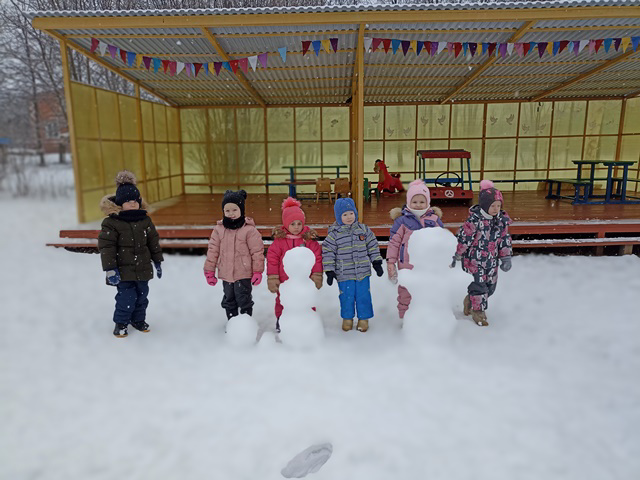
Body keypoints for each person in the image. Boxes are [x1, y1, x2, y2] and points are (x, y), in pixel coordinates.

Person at [98, 171, 163, 338]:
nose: (132, 204)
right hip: (123, 270)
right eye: (128, 201)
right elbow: (107, 247)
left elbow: (153, 241)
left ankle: (138, 320)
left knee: (142, 297)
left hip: (143, 268)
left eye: (135, 200)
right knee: (126, 297)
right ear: (120, 204)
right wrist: (110, 268)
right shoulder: (112, 222)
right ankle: (121, 323)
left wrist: (157, 261)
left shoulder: (145, 220)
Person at [451, 180, 513, 326]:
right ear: (485, 205)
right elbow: (464, 239)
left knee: (490, 287)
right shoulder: (474, 221)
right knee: (479, 286)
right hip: (474, 260)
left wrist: (506, 257)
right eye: (493, 206)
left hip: (492, 261)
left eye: (498, 205)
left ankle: (470, 299)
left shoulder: (501, 221)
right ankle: (478, 312)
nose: (496, 209)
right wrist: (457, 254)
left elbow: (504, 239)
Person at [322, 198, 383, 333]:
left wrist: (376, 261)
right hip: (344, 273)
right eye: (344, 215)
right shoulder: (334, 235)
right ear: (339, 217)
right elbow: (328, 252)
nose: (349, 217)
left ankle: (363, 318)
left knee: (363, 296)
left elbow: (372, 245)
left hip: (362, 272)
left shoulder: (364, 230)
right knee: (346, 296)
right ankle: (347, 318)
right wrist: (329, 270)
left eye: (351, 213)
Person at [203, 190, 265, 320]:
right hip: (226, 274)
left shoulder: (249, 230)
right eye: (227, 211)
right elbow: (213, 250)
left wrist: (258, 271)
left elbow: (257, 252)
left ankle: (245, 324)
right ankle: (232, 323)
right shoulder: (218, 230)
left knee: (244, 299)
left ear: (241, 210)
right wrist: (209, 270)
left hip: (243, 273)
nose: (231, 214)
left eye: (234, 210)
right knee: (229, 300)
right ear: (223, 212)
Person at [386, 179, 443, 319]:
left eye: (422, 202)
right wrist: (390, 261)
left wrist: (444, 260)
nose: (418, 205)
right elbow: (394, 242)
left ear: (428, 202)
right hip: (407, 264)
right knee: (406, 291)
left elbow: (442, 241)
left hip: (427, 265)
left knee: (427, 290)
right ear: (408, 202)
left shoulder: (434, 220)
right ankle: (404, 316)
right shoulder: (402, 221)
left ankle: (425, 315)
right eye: (415, 202)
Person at [266, 197, 323, 331]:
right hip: (284, 279)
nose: (296, 227)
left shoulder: (309, 240)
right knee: (283, 299)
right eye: (292, 224)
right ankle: (281, 319)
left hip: (305, 279)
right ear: (286, 224)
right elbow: (272, 259)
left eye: (299, 223)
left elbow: (317, 258)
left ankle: (309, 318)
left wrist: (317, 275)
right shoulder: (280, 241)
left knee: (306, 297)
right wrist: (273, 277)